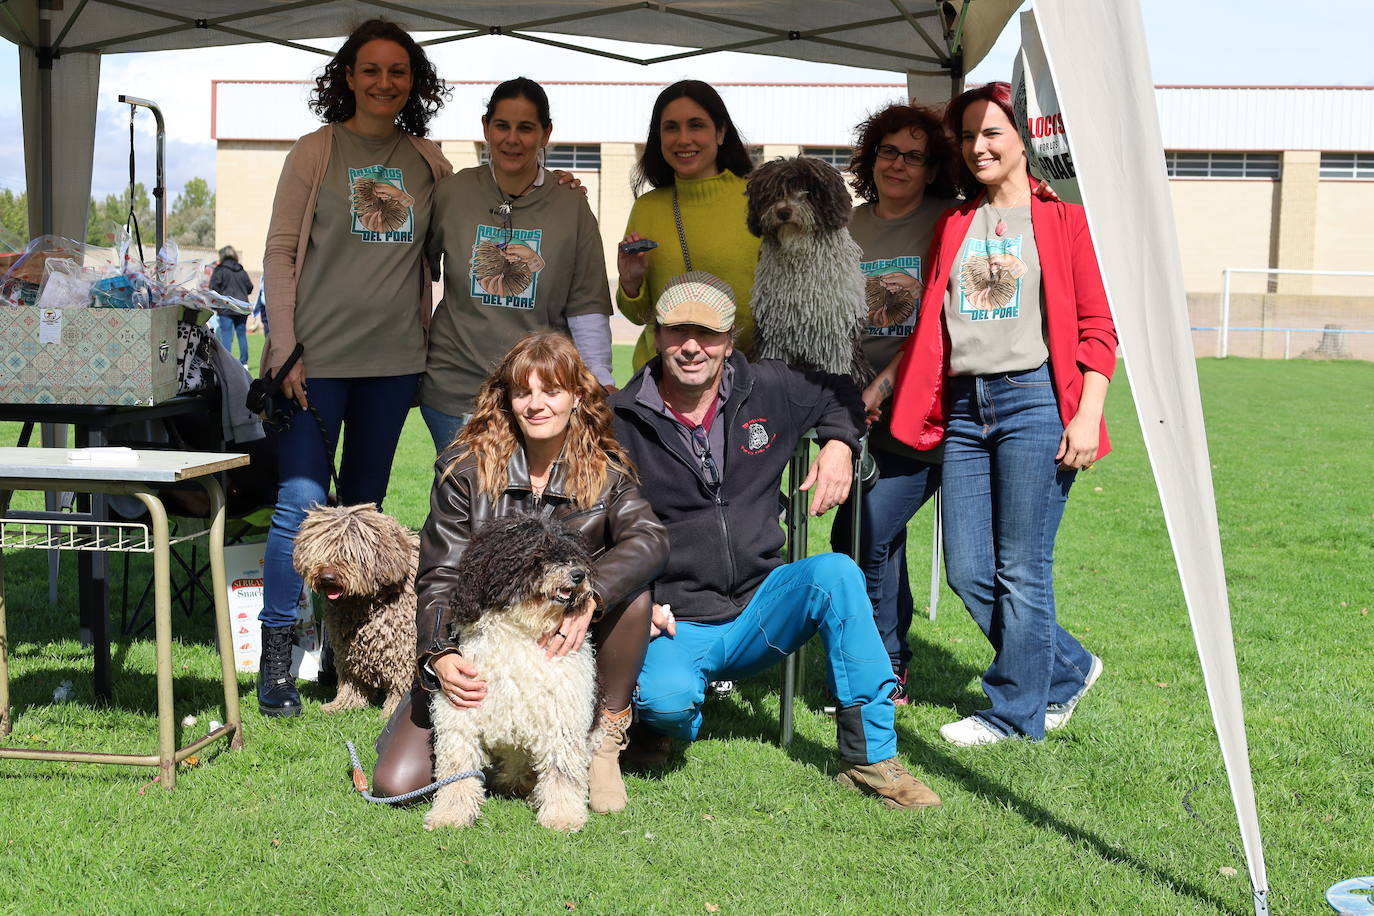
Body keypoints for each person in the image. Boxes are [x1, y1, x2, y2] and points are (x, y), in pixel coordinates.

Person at [609, 271, 941, 811]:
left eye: (707, 334)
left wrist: (839, 443)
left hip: (762, 607)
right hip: (675, 618)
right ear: (658, 333)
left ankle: (870, 759)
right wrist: (633, 606)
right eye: (676, 332)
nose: (691, 347)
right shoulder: (621, 418)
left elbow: (840, 393)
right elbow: (597, 529)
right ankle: (663, 720)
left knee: (836, 573)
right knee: (667, 704)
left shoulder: (768, 387)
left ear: (730, 338)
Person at [869, 81, 1117, 746]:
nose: (978, 146)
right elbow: (932, 326)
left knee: (1022, 567)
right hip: (964, 408)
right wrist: (888, 382)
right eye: (968, 135)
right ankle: (1065, 667)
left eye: (992, 133)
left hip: (1034, 401)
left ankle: (1014, 714)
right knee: (968, 570)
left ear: (1022, 140)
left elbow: (1098, 327)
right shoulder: (954, 223)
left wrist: (1087, 414)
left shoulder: (1062, 221)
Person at [373, 332, 669, 814]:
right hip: (480, 638)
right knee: (395, 783)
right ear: (506, 399)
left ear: (576, 397)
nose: (536, 405)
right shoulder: (464, 468)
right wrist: (442, 655)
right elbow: (439, 575)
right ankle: (485, 745)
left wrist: (590, 599)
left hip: (560, 637)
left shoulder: (605, 470)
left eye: (550, 391)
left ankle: (603, 736)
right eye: (523, 392)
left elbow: (650, 539)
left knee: (633, 594)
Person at [256, 19, 453, 717]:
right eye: (370, 70)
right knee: (300, 506)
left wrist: (559, 194)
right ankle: (275, 660)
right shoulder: (316, 152)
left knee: (364, 517)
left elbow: (464, 233)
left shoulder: (430, 162)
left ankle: (348, 661)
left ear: (414, 82)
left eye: (398, 71)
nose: (384, 83)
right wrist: (283, 348)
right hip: (312, 362)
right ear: (347, 76)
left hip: (394, 363)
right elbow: (279, 254)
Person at [828, 103, 959, 704]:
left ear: (933, 169)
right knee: (873, 534)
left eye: (914, 156)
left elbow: (940, 322)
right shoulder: (848, 227)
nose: (898, 165)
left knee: (868, 529)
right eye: (888, 151)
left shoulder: (948, 222)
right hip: (859, 407)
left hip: (923, 408)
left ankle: (884, 669)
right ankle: (888, 656)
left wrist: (881, 387)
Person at [422, 77, 614, 451]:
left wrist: (599, 376)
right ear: (485, 128)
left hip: (538, 394)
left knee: (524, 504)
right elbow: (414, 271)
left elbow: (586, 303)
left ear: (546, 134)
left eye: (526, 128)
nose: (513, 139)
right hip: (454, 389)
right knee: (461, 502)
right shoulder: (453, 192)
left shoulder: (570, 204)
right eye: (502, 126)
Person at [616, 80, 759, 370]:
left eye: (696, 125)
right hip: (661, 385)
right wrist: (630, 284)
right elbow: (639, 317)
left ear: (720, 132)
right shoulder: (647, 207)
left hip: (745, 382)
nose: (683, 139)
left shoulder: (759, 200)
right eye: (671, 128)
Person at [209, 245, 253, 366]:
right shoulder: (241, 270)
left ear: (222, 256)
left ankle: (227, 363)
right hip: (241, 307)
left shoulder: (220, 270)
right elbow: (250, 287)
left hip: (226, 308)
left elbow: (213, 288)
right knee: (242, 335)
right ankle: (244, 364)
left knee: (227, 336)